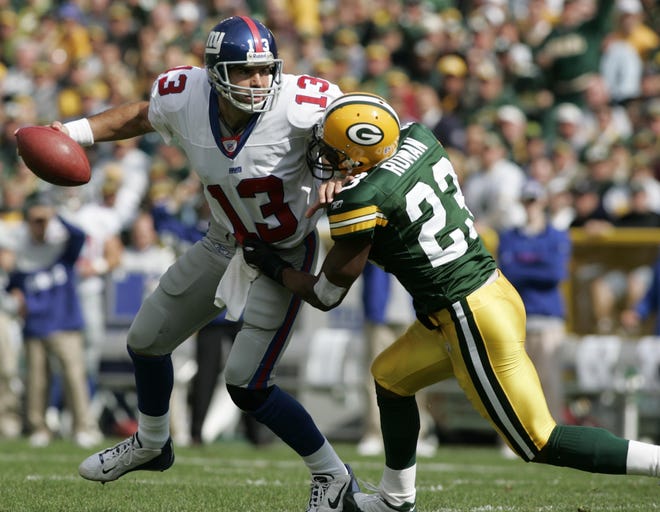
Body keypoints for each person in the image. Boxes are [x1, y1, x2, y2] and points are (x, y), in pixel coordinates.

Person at [242, 93, 660, 512]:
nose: (327, 159)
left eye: (335, 153)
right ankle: (395, 500)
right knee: (390, 377)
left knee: (538, 439)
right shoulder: (419, 138)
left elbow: (326, 295)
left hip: (468, 315)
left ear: (356, 156)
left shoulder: (361, 201)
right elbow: (387, 179)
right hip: (481, 294)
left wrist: (273, 266)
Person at [48, 16, 356, 511]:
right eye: (245, 72)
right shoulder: (183, 95)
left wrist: (349, 173)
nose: (259, 82)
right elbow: (139, 117)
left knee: (246, 384)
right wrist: (76, 132)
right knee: (146, 340)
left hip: (282, 250)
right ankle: (152, 443)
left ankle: (333, 474)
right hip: (223, 239)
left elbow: (367, 129)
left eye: (264, 69)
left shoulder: (302, 103)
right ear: (214, 72)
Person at [7, 193, 100, 448]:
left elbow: (80, 235)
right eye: (35, 220)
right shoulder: (22, 251)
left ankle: (83, 426)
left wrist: (55, 214)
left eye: (42, 220)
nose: (40, 224)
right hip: (35, 325)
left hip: (66, 323)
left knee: (74, 377)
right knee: (37, 381)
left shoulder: (62, 248)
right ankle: (39, 427)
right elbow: (12, 284)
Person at [497, 180, 572, 423]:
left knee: (549, 381)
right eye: (527, 201)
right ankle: (517, 434)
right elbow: (507, 272)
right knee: (514, 381)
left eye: (534, 201)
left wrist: (522, 265)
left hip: (547, 318)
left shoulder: (556, 236)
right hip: (518, 317)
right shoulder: (510, 236)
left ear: (543, 202)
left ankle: (552, 433)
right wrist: (534, 264)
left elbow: (554, 274)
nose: (531, 206)